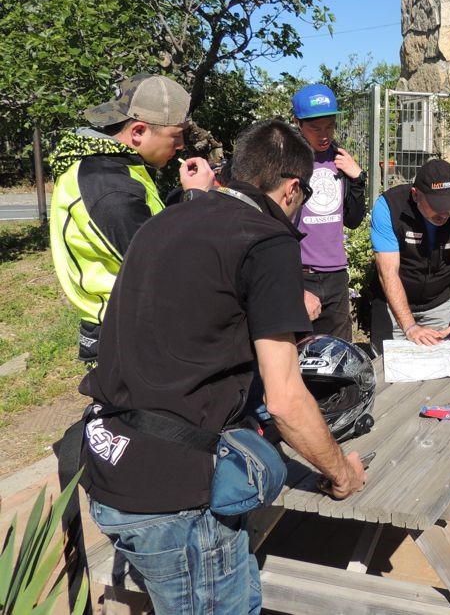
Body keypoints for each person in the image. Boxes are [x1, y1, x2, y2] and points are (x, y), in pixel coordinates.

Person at [79, 120, 367, 615]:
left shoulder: (166, 218)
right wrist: (342, 474)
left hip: (108, 463)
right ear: (293, 188)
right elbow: (285, 399)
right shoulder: (267, 239)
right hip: (177, 501)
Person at [49, 74, 214, 365]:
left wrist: (183, 195)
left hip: (128, 321)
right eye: (176, 135)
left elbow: (149, 227)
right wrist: (196, 199)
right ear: (138, 131)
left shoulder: (112, 165)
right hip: (125, 333)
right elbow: (164, 266)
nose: (180, 145)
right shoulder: (110, 188)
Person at [370, 158, 450, 354]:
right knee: (387, 366)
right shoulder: (389, 208)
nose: (445, 212)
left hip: (440, 304)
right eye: (437, 204)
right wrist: (410, 326)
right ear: (415, 195)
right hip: (392, 305)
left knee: (444, 365)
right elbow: (388, 272)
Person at [292, 83, 368, 339]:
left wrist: (357, 180)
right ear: (298, 124)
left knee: (338, 352)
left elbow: (353, 220)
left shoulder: (340, 160)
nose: (324, 135)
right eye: (315, 128)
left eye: (330, 126)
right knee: (298, 352)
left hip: (336, 275)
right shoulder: (288, 163)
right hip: (300, 275)